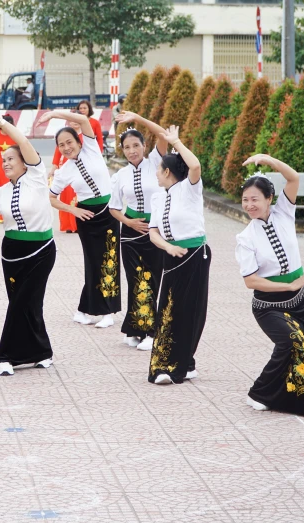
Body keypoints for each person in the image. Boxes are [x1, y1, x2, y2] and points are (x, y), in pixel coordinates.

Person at [236, 155, 304, 415]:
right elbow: (251, 281)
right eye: (245, 200)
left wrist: (268, 160)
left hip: (300, 299)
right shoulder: (245, 237)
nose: (249, 205)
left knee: (303, 347)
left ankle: (286, 398)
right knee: (293, 343)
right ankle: (259, 393)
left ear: (269, 198)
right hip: (268, 305)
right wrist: (290, 285)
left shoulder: (284, 212)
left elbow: (293, 178)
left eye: (255, 199)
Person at [0, 111, 56, 376]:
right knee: (27, 303)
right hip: (12, 254)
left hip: (42, 251)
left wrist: (0, 123)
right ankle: (42, 351)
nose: (6, 163)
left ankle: (5, 357)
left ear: (26, 162)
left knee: (21, 304)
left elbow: (22, 142)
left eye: (11, 158)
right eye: (3, 160)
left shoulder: (36, 177)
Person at [42, 109, 119, 329]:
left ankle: (93, 311)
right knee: (94, 264)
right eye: (61, 145)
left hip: (109, 213)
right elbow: (52, 198)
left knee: (110, 261)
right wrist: (74, 211)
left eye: (69, 142)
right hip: (87, 217)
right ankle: (97, 310)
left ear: (78, 140)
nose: (66, 148)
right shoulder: (63, 171)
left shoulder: (91, 149)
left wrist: (55, 114)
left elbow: (84, 120)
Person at [147, 125, 210, 385]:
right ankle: (164, 365)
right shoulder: (157, 198)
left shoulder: (189, 189)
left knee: (192, 311)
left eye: (159, 169)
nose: (156, 173)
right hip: (172, 257)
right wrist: (168, 247)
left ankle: (185, 362)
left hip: (196, 254)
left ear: (167, 171)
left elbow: (194, 166)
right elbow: (153, 232)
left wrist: (177, 142)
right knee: (168, 310)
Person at [111, 112, 167, 351]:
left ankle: (153, 331)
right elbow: (113, 208)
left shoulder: (156, 162)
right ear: (122, 150)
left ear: (145, 146)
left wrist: (138, 118)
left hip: (155, 229)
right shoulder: (120, 175)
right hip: (131, 231)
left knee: (154, 279)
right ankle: (137, 328)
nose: (132, 150)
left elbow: (163, 134)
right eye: (127, 147)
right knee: (135, 280)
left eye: (136, 145)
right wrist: (129, 222)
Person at [0, 114, 17, 189]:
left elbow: (21, 148)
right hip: (1, 164)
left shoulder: (15, 133)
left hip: (14, 163)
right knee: (1, 183)